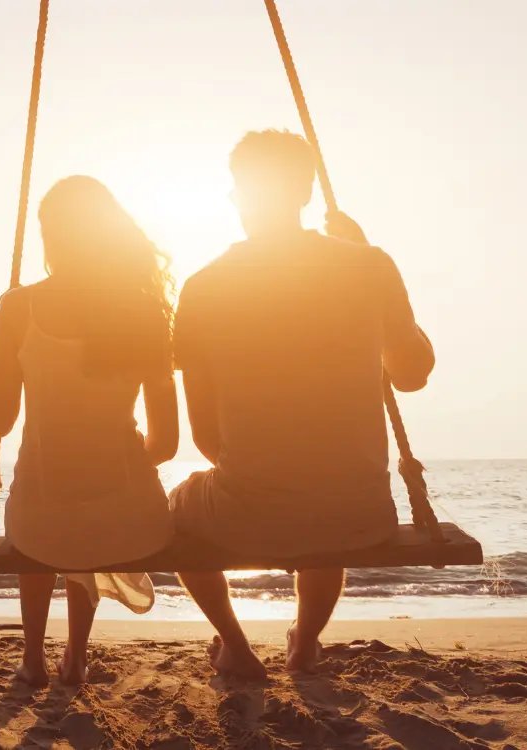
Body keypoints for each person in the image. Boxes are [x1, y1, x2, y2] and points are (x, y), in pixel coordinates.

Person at [169, 130, 435, 679]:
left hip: (252, 511)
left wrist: (265, 469)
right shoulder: (370, 265)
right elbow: (413, 374)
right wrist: (363, 251)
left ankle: (235, 646)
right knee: (326, 491)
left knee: (177, 512)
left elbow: (205, 441)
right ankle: (304, 641)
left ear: (238, 194)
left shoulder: (203, 287)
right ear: (308, 191)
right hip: (360, 516)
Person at [0, 175, 179, 686]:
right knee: (86, 503)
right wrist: (120, 465)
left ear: (50, 236)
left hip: (42, 517)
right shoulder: (145, 311)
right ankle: (77, 656)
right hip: (132, 518)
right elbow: (168, 443)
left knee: (45, 506)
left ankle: (32, 660)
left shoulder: (18, 307)